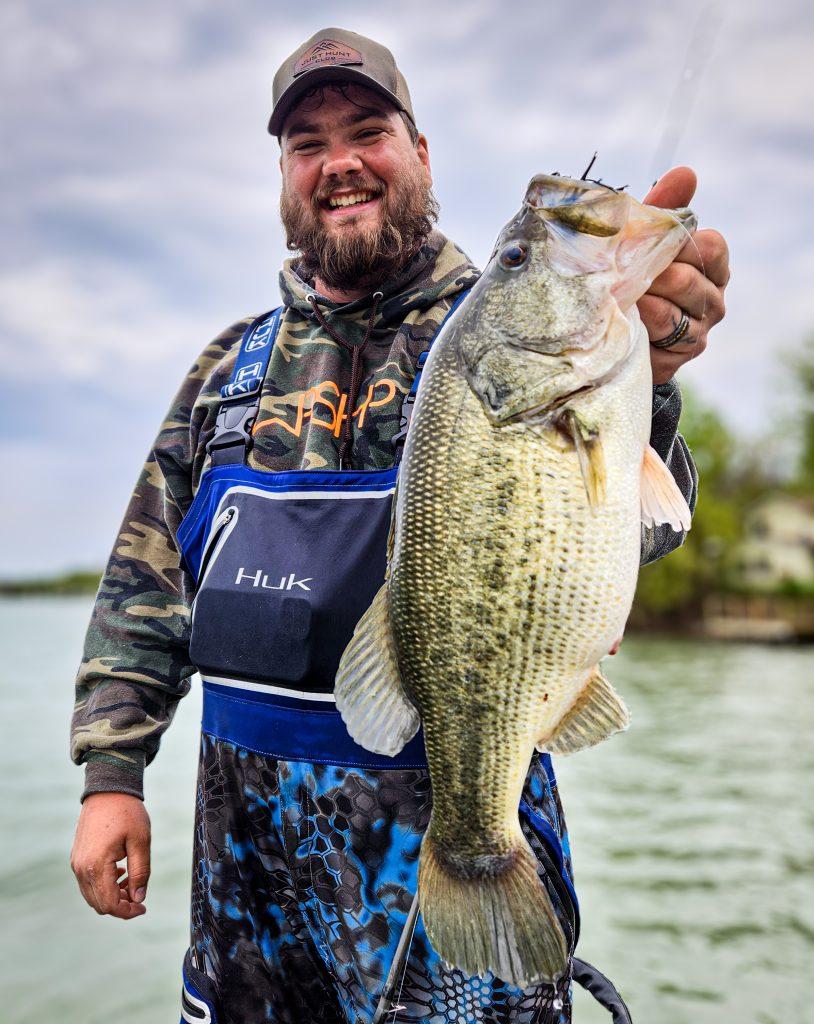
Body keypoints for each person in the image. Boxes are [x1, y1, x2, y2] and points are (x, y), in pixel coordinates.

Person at [69, 27, 730, 1024]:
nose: (338, 161)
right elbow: (145, 581)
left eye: (366, 131)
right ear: (284, 177)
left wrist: (654, 383)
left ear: (419, 152)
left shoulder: (496, 331)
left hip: (441, 865)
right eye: (307, 143)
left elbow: (630, 531)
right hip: (245, 887)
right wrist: (112, 774)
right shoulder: (226, 370)